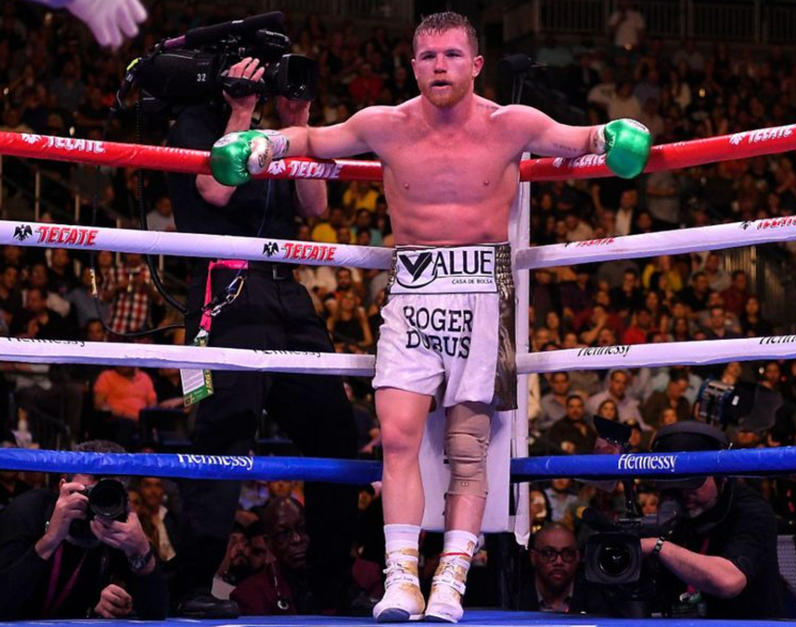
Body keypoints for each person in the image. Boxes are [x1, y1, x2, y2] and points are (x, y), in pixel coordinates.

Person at [209, 12, 650, 622]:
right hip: (413, 288)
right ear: (412, 65)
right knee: (396, 435)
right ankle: (401, 578)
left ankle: (451, 580)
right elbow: (314, 140)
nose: (438, 65)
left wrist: (615, 134)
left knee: (468, 451)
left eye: (450, 55)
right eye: (427, 56)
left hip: (482, 290)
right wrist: (266, 143)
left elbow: (580, 140)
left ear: (475, 64)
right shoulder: (385, 125)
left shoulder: (511, 123)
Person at [166, 57, 358, 617]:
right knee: (223, 433)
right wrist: (243, 113)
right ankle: (195, 582)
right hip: (224, 287)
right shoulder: (195, 124)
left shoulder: (285, 132)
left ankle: (330, 584)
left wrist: (296, 121)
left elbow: (315, 204)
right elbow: (215, 190)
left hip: (286, 288)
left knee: (335, 433)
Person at [0, 440, 167, 619]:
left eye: (107, 489)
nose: (97, 495)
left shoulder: (116, 525)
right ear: (62, 485)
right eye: (93, 478)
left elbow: (158, 612)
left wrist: (141, 550)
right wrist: (50, 540)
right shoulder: (27, 512)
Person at [643, 421, 781, 618]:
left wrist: (658, 547)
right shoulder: (673, 510)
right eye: (674, 485)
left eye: (693, 483)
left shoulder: (751, 510)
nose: (684, 493)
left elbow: (729, 581)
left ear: (721, 476)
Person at [231, 497, 314, 615]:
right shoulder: (250, 594)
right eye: (284, 534)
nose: (297, 539)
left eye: (302, 529)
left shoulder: (334, 583)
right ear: (268, 542)